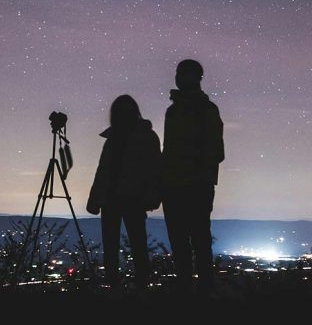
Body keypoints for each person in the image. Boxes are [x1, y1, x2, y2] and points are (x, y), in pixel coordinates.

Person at [161, 59, 224, 293]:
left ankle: (201, 293)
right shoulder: (174, 110)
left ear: (196, 78)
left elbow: (216, 151)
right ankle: (187, 291)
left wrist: (191, 171)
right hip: (177, 186)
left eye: (183, 74)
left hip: (195, 186)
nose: (178, 78)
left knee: (198, 240)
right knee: (183, 242)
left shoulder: (206, 110)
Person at [86, 94, 161, 290]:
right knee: (126, 243)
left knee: (131, 243)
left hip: (129, 198)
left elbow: (153, 169)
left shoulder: (139, 137)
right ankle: (123, 285)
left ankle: (134, 285)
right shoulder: (123, 138)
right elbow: (103, 170)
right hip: (118, 198)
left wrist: (95, 198)